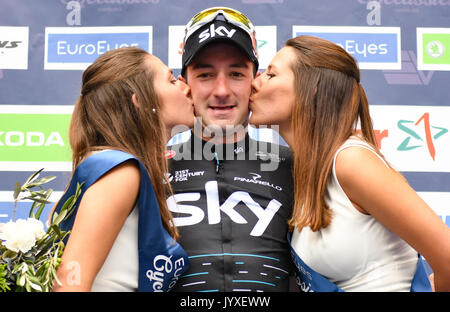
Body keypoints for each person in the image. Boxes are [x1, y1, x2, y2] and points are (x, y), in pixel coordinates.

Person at [249, 35, 450, 292]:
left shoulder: (350, 161)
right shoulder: (307, 171)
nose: (255, 84)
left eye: (270, 74)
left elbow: (447, 258)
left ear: (312, 88)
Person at [166, 7, 294, 292]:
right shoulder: (150, 171)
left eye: (236, 74)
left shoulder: (295, 167)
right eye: (206, 75)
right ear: (184, 83)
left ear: (255, 81)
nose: (222, 91)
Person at [51, 47, 194, 292]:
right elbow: (69, 283)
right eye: (171, 80)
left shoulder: (109, 168)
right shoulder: (118, 172)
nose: (186, 87)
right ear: (139, 101)